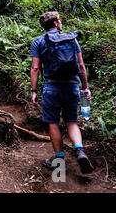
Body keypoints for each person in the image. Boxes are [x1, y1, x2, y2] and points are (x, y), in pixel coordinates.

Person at [30, 11, 94, 174]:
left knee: (53, 123)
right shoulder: (71, 39)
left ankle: (59, 160)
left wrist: (34, 90)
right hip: (72, 86)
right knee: (71, 121)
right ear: (56, 23)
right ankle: (79, 151)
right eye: (60, 20)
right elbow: (81, 66)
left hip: (51, 88)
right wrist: (85, 88)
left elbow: (35, 68)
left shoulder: (38, 41)